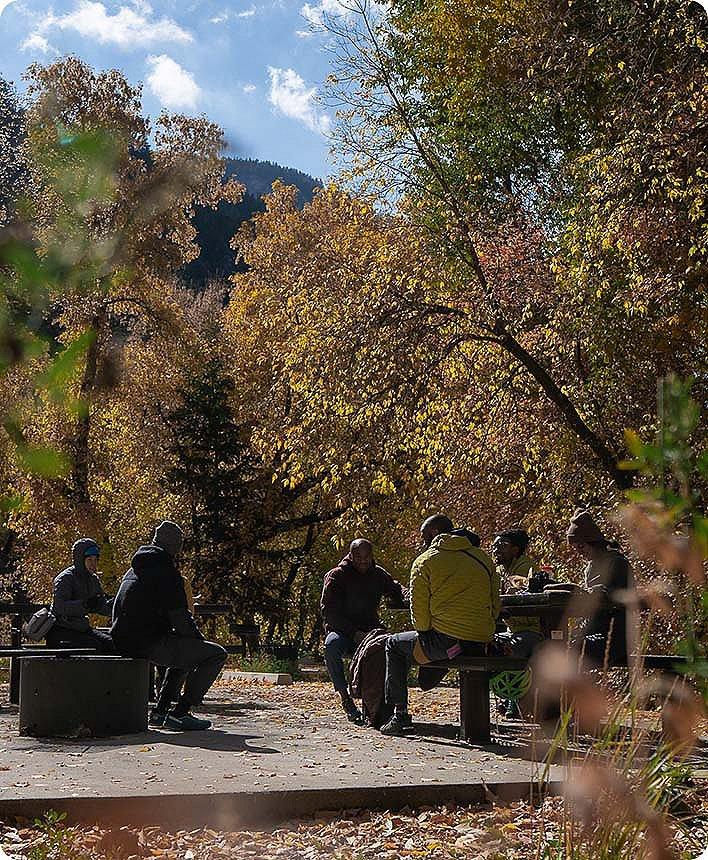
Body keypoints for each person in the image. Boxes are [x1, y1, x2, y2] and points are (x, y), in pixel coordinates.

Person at [380, 515, 499, 736]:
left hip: (445, 640)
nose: (422, 542)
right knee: (437, 650)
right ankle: (436, 666)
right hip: (480, 640)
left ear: (434, 533)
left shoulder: (425, 561)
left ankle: (400, 715)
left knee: (393, 645)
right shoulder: (483, 558)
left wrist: (426, 635)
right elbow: (495, 604)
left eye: (424, 536)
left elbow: (420, 616)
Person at [111, 521, 227, 731]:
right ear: (175, 546)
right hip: (147, 643)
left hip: (122, 640)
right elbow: (180, 617)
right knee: (215, 654)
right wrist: (198, 640)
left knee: (184, 649)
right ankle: (180, 712)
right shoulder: (166, 573)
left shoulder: (134, 570)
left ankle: (160, 712)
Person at [321, 538, 408, 724]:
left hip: (370, 629)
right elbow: (329, 613)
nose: (363, 561)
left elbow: (395, 588)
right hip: (343, 631)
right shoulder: (336, 576)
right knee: (331, 647)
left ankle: (385, 707)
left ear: (371, 556)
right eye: (358, 557)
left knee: (392, 648)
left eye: (366, 557)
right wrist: (354, 634)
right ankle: (346, 699)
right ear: (351, 555)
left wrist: (409, 595)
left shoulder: (377, 574)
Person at [566, 508, 633, 666]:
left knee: (571, 654)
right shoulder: (589, 568)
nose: (579, 552)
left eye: (581, 547)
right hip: (592, 632)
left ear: (593, 542)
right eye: (575, 548)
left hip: (615, 635)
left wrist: (598, 593)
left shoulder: (618, 563)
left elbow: (621, 597)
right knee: (555, 647)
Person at [492, 528, 544, 717]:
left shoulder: (526, 569)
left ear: (516, 549)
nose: (496, 549)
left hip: (531, 629)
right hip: (511, 629)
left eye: (502, 545)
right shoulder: (499, 570)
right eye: (494, 546)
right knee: (485, 646)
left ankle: (514, 699)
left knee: (509, 650)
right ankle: (506, 697)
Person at [46, 538, 114, 652]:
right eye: (89, 560)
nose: (93, 564)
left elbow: (101, 606)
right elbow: (59, 607)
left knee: (112, 643)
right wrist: (84, 604)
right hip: (61, 631)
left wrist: (116, 605)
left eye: (95, 560)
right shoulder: (66, 578)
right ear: (80, 560)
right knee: (97, 646)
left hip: (81, 629)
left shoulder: (93, 579)